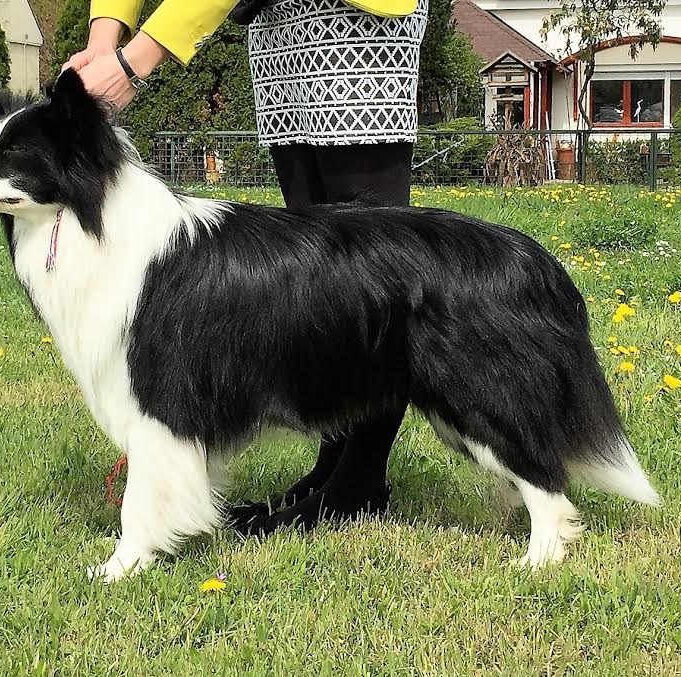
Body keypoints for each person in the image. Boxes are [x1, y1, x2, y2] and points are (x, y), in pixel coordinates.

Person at [64, 0, 429, 532]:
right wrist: (102, 42)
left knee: (375, 273)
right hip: (282, 27)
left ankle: (359, 480)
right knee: (319, 278)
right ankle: (334, 469)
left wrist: (132, 62)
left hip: (361, 26)